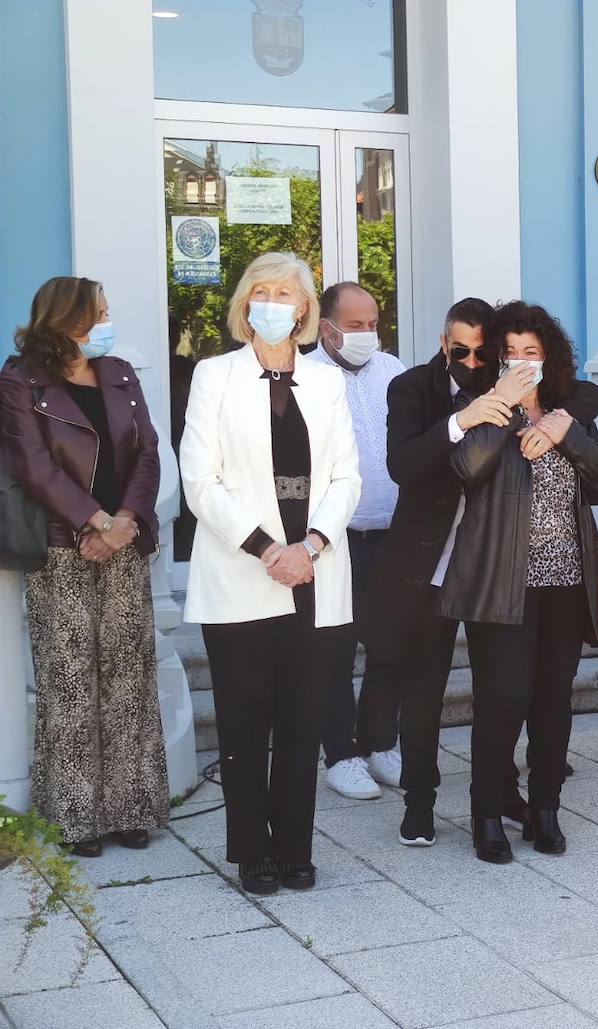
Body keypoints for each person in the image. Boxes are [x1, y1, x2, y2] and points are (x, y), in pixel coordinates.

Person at [364, 298, 598, 847]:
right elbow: (406, 466)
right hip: (437, 560)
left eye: (485, 351)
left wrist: (562, 421)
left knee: (525, 692)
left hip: (510, 565)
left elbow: (582, 398)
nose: (473, 361)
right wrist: (469, 417)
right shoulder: (419, 390)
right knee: (430, 688)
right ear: (445, 342)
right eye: (464, 351)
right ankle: (421, 803)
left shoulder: (529, 393)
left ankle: (515, 798)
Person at [179, 252, 361, 895]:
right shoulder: (214, 375)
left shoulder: (327, 381)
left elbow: (346, 476)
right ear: (244, 303)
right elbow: (200, 480)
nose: (275, 303)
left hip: (313, 570)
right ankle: (252, 850)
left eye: (287, 293)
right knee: (244, 719)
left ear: (305, 309)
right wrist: (267, 548)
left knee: (302, 718)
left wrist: (309, 545)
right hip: (242, 570)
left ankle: (295, 848)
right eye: (263, 291)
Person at [437, 301, 598, 863]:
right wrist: (507, 409)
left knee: (552, 702)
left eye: (531, 354)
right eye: (511, 353)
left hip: (567, 581)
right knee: (503, 698)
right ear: (494, 358)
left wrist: (569, 436)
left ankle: (545, 810)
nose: (521, 362)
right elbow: (466, 471)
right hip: (503, 582)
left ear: (550, 358)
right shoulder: (480, 409)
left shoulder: (569, 414)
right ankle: (487, 812)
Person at [0, 277, 168, 857]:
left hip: (124, 541)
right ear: (65, 319)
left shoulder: (118, 371)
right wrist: (94, 521)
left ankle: (131, 808)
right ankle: (75, 817)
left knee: (128, 677)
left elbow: (147, 451)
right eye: (97, 312)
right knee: (69, 681)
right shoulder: (21, 378)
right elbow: (31, 464)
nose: (106, 321)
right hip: (60, 544)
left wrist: (124, 521)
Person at [305, 282, 408, 801]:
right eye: (356, 325)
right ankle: (341, 754)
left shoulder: (393, 370)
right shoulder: (305, 377)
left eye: (373, 323)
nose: (368, 334)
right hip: (333, 537)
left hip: (393, 531)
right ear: (327, 328)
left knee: (391, 644)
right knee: (334, 649)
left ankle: (379, 743)